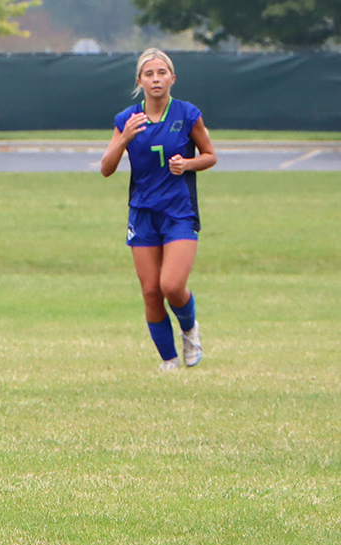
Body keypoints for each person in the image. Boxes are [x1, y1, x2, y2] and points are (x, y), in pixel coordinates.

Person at [101, 49, 217, 372]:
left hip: (178, 212)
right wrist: (124, 139)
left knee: (172, 286)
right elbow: (106, 168)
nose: (156, 79)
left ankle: (190, 330)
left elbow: (210, 155)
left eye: (162, 72)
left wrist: (188, 163)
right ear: (139, 80)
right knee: (151, 292)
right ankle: (169, 361)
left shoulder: (187, 113)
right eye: (149, 74)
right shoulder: (127, 119)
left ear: (172, 78)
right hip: (142, 214)